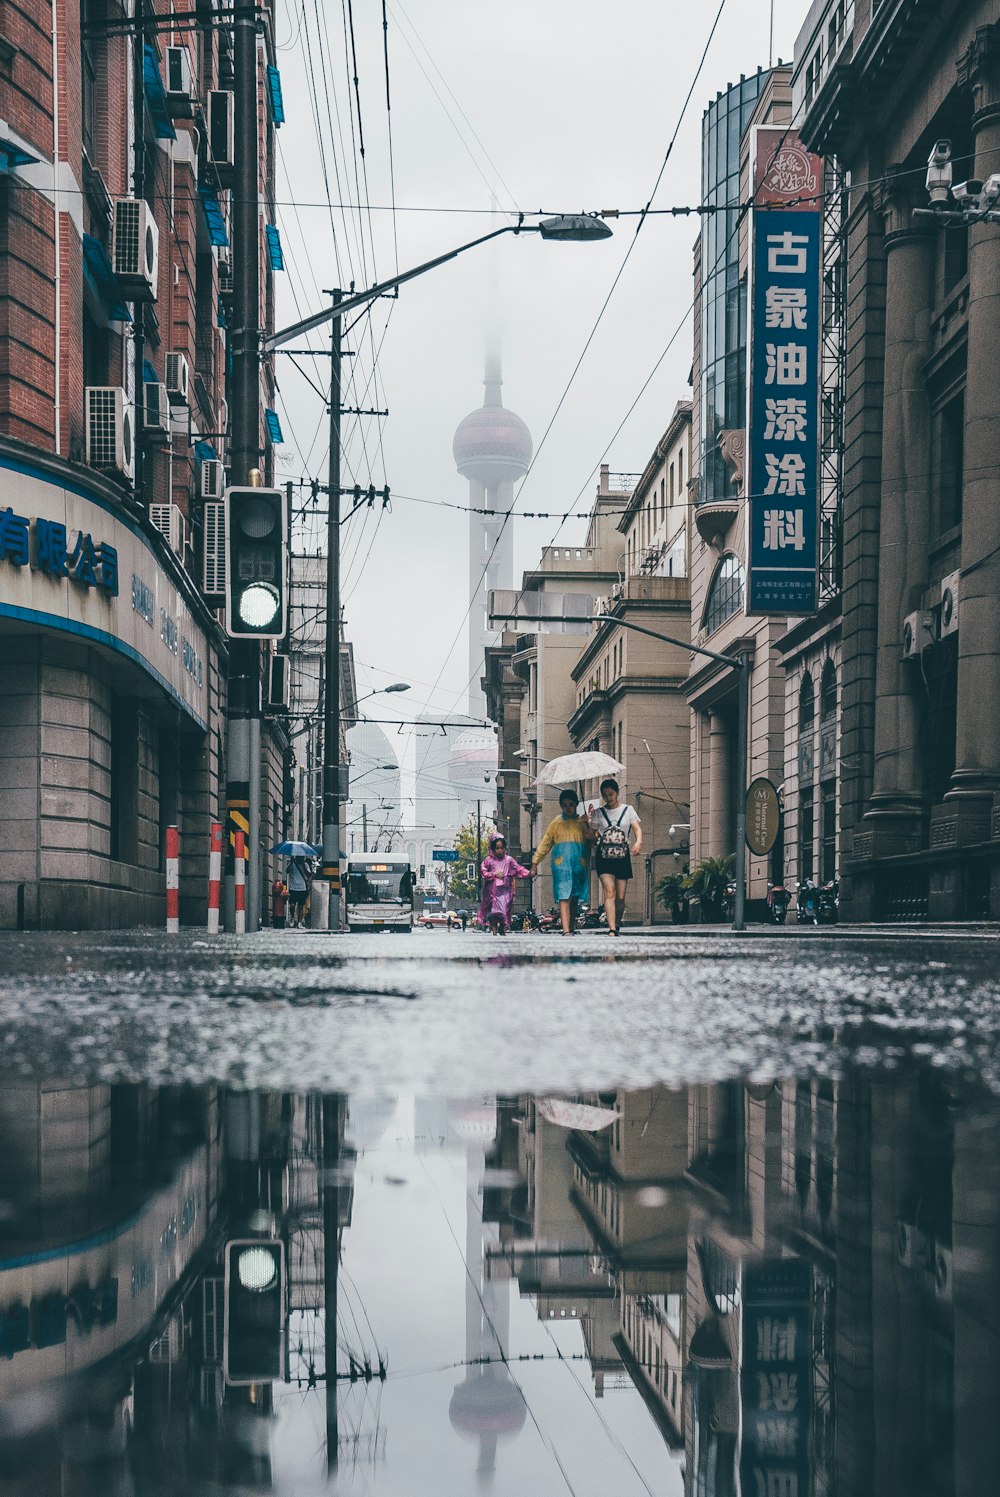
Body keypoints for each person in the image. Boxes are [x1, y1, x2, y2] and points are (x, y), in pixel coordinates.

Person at [532, 790, 595, 935]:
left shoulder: (582, 822)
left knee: (574, 898)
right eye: (565, 805)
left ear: (576, 805)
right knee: (564, 895)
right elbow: (545, 843)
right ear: (561, 805)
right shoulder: (556, 823)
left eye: (571, 805)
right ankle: (566, 930)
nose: (568, 808)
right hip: (561, 866)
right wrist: (535, 861)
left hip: (579, 865)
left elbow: (592, 841)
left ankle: (570, 927)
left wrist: (589, 825)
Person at [588, 778, 642, 935]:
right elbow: (592, 836)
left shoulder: (628, 810)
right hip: (604, 857)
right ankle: (611, 928)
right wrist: (589, 825)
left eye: (611, 794)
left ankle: (617, 923)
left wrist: (638, 842)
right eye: (605, 795)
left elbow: (637, 828)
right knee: (609, 891)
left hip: (622, 856)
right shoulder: (598, 813)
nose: (608, 798)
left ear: (617, 793)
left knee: (620, 897)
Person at [479, 834, 532, 935]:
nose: (499, 850)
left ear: (504, 848)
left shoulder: (509, 860)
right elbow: (483, 872)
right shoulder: (488, 860)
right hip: (492, 892)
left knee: (504, 911)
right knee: (494, 912)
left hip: (506, 890)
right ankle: (494, 929)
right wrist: (494, 874)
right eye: (497, 848)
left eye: (501, 848)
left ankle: (502, 927)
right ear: (493, 848)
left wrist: (528, 873)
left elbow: (518, 869)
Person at [286, 854, 309, 928]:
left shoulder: (305, 865)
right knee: (292, 905)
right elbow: (287, 871)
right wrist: (291, 862)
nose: (300, 859)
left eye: (302, 857)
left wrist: (303, 867)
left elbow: (308, 874)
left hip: (302, 888)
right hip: (293, 887)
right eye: (299, 857)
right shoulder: (292, 864)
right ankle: (292, 918)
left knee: (301, 906)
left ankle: (299, 922)